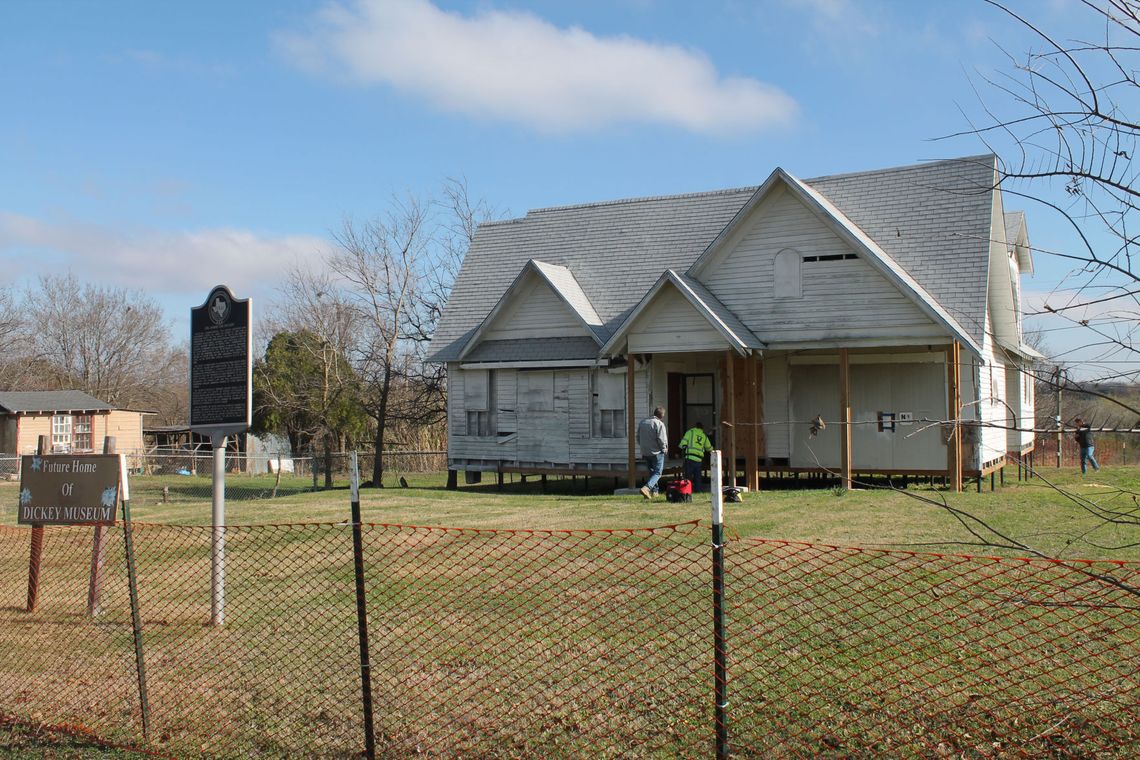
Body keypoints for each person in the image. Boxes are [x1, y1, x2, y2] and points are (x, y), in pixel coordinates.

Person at [636, 406, 668, 499]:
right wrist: (664, 449)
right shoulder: (659, 424)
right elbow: (662, 439)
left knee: (652, 472)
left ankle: (655, 492)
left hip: (645, 451)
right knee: (658, 473)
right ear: (662, 416)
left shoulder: (643, 422)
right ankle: (647, 488)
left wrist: (643, 446)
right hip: (656, 452)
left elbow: (638, 437)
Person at [678, 421, 713, 492]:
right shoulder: (704, 436)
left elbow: (682, 444)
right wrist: (713, 450)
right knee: (698, 477)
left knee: (687, 476)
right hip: (698, 460)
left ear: (695, 426)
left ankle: (687, 491)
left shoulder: (690, 432)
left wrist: (680, 450)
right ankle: (698, 490)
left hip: (689, 458)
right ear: (702, 428)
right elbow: (709, 448)